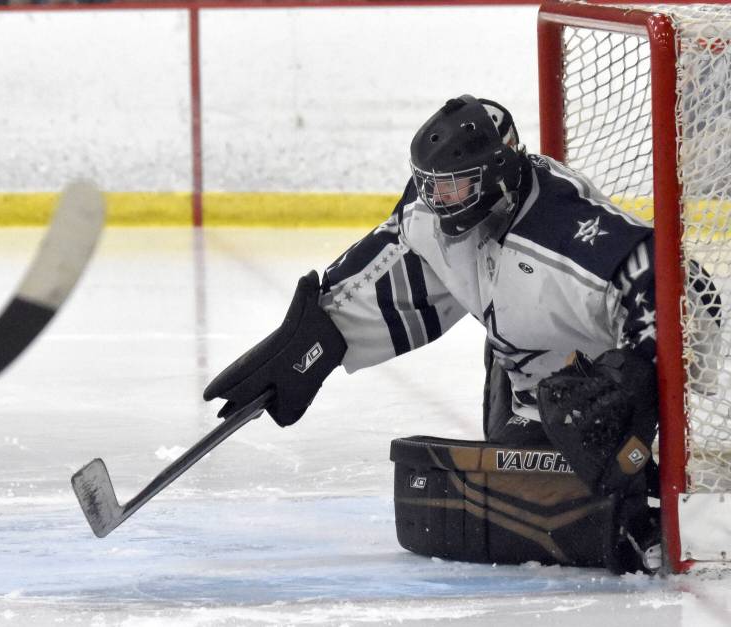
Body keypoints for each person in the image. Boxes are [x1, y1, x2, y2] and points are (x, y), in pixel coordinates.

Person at [203, 94, 720, 574]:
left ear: (497, 174)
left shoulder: (565, 235)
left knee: (580, 457)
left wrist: (636, 377)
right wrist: (308, 343)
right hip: (527, 373)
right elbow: (391, 268)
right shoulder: (440, 214)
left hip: (592, 391)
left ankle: (646, 499)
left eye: (452, 185)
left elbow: (682, 284)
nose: (436, 199)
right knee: (514, 482)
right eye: (429, 184)